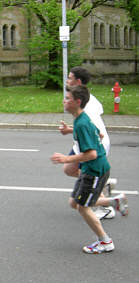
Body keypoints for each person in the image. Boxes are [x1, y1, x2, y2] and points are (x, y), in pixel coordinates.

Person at [51, 85, 128, 254]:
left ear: (77, 102)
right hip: (92, 168)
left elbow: (92, 154)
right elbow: (98, 135)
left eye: (68, 98)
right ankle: (114, 202)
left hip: (94, 170)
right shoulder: (81, 120)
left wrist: (66, 158)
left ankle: (105, 241)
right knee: (74, 202)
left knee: (82, 207)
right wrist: (69, 131)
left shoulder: (82, 122)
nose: (64, 101)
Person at [59, 66, 117, 220]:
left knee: (83, 175)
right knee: (69, 169)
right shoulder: (84, 97)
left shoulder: (87, 105)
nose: (67, 80)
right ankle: (104, 184)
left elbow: (97, 132)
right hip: (84, 143)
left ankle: (105, 207)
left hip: (95, 146)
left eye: (70, 78)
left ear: (78, 81)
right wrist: (70, 130)